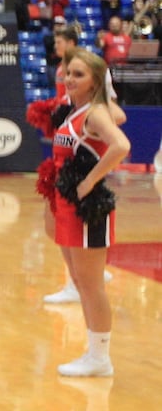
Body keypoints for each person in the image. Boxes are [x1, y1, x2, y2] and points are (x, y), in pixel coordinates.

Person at [48, 49, 130, 377]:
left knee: (91, 285)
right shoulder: (76, 112)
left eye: (78, 74)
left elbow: (121, 146)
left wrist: (90, 181)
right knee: (81, 282)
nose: (69, 79)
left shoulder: (94, 113)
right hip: (69, 206)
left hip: (88, 209)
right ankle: (93, 353)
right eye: (68, 73)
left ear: (95, 80)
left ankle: (100, 358)